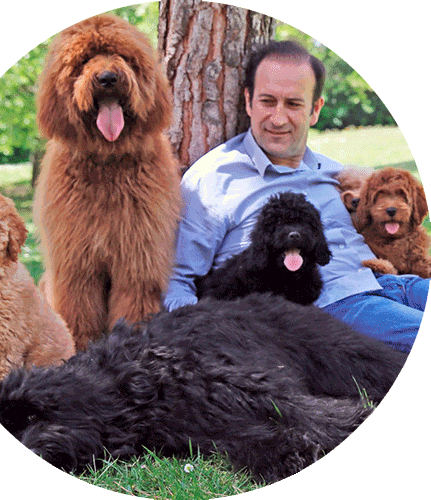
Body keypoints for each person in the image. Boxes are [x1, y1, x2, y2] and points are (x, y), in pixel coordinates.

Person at [164, 40, 429, 353]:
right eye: (267, 101)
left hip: (391, 282)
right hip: (329, 307)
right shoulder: (213, 179)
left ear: (315, 109)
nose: (278, 118)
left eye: (293, 104)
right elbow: (176, 279)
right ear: (248, 101)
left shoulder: (333, 172)